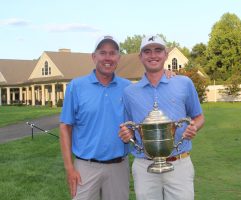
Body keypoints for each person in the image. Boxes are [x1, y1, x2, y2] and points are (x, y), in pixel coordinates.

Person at [119, 35, 205, 200]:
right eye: (147, 51)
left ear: (166, 54)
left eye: (158, 50)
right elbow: (128, 127)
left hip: (179, 163)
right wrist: (126, 135)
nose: (153, 55)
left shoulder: (184, 83)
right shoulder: (130, 92)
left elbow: (199, 117)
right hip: (145, 166)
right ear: (140, 57)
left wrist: (193, 127)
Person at [60, 35, 131, 200]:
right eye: (102, 53)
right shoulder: (76, 87)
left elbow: (137, 123)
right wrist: (69, 168)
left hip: (118, 167)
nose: (108, 58)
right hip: (85, 167)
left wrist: (167, 73)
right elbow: (65, 127)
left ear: (118, 58)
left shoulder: (128, 88)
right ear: (94, 57)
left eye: (112, 53)